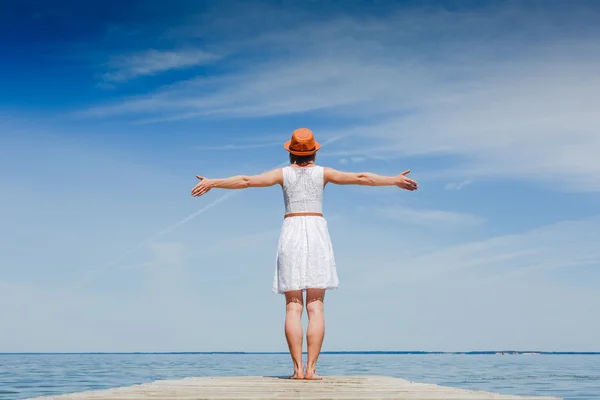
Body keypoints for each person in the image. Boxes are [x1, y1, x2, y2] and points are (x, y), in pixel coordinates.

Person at [191, 128, 418, 380]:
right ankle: (311, 370)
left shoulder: (282, 174)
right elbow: (362, 177)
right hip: (316, 230)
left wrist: (213, 182)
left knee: (292, 307)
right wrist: (393, 180)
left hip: (292, 230)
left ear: (290, 153)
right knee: (316, 306)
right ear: (314, 152)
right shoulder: (324, 173)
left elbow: (246, 180)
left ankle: (297, 369)